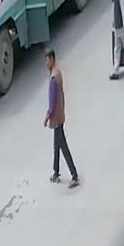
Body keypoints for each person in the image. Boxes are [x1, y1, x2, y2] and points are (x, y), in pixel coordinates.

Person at [44, 48, 79, 188]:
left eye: (47, 60)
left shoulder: (53, 78)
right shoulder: (58, 73)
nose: (45, 63)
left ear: (52, 59)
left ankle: (74, 175)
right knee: (56, 145)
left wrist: (47, 116)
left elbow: (52, 102)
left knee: (62, 146)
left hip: (56, 117)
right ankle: (56, 171)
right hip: (60, 114)